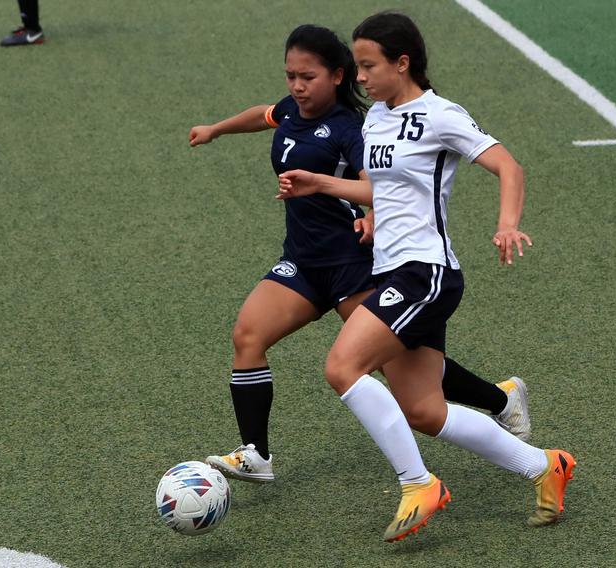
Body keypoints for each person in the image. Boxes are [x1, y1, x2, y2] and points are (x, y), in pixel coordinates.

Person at [187, 25, 532, 484]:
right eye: (290, 75)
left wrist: (370, 212)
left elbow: (390, 180)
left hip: (359, 266)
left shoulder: (361, 126)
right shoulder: (322, 113)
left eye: (307, 76)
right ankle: (256, 453)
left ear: (337, 76)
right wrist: (216, 129)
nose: (296, 86)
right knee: (249, 335)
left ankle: (494, 408)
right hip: (306, 263)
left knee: (399, 370)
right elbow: (266, 115)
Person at [277, 12, 575, 541]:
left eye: (369, 66)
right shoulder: (376, 119)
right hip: (394, 269)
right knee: (422, 409)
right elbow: (382, 190)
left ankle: (418, 483)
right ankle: (545, 466)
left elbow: (509, 166)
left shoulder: (440, 115)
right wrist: (321, 183)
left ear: (403, 62)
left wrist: (507, 224)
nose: (361, 77)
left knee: (343, 367)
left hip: (425, 273)